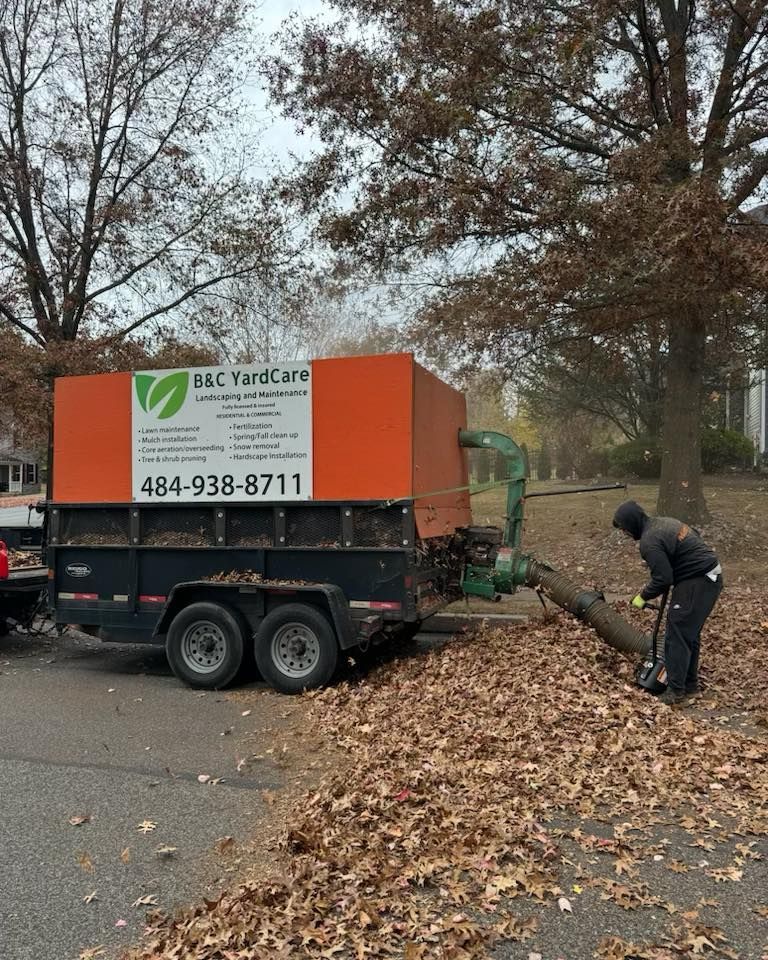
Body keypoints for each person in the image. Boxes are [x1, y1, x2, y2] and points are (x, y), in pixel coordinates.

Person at [612, 500, 723, 706]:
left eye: (624, 529)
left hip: (697, 581)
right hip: (709, 576)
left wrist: (642, 597)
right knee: (688, 634)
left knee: (676, 635)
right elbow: (695, 534)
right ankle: (690, 686)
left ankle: (675, 692)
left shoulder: (649, 542)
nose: (625, 534)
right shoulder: (664, 522)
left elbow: (663, 579)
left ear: (631, 523)